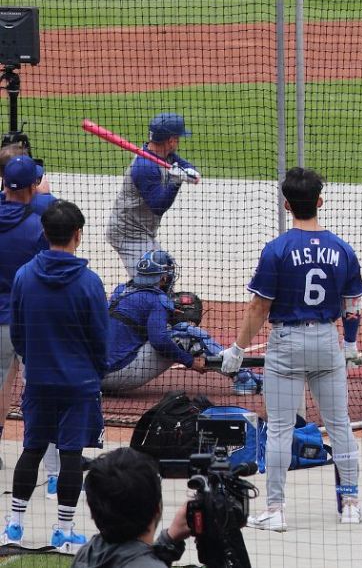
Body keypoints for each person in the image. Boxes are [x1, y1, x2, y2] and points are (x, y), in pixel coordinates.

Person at [220, 166, 362, 531]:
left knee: (281, 428)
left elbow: (258, 307)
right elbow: (352, 305)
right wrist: (350, 345)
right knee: (340, 425)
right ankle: (350, 503)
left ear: (286, 205)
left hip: (286, 344)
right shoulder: (342, 249)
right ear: (319, 201)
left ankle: (276, 509)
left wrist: (237, 350)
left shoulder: (277, 250)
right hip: (326, 343)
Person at [7, 200, 108, 555]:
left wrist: (33, 362)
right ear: (77, 235)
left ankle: (14, 527)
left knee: (31, 449)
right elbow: (100, 338)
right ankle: (64, 529)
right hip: (79, 384)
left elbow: (17, 332)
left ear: (44, 233)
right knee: (69, 456)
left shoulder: (23, 277)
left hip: (39, 381)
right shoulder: (90, 283)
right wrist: (97, 373)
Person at [103, 249, 261, 397]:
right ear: (163, 278)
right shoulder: (157, 299)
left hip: (96, 375)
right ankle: (245, 379)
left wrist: (166, 317)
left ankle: (244, 374)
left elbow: (131, 325)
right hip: (119, 376)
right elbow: (159, 341)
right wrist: (190, 361)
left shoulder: (120, 290)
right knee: (186, 334)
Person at [0, 156, 61, 489]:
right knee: (42, 391)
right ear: (31, 188)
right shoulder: (38, 224)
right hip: (29, 321)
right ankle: (53, 474)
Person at [106, 113, 199, 277]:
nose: (178, 141)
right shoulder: (145, 167)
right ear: (170, 141)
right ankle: (127, 300)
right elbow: (158, 206)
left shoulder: (163, 154)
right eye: (178, 138)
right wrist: (175, 183)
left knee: (166, 274)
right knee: (153, 279)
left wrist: (189, 171)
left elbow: (180, 162)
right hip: (128, 234)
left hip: (141, 231)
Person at [72, 447, 191, 568]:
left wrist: (169, 540)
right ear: (157, 509)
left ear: (92, 511)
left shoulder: (87, 554)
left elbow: (129, 558)